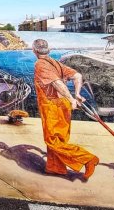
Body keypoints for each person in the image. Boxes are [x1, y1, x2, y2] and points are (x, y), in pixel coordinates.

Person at [32, 39, 99, 180]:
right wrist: (77, 94)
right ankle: (55, 168)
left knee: (52, 141)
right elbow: (77, 76)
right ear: (48, 50)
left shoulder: (40, 64)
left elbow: (57, 83)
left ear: (34, 50)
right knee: (60, 139)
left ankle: (88, 159)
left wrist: (71, 99)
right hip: (62, 105)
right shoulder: (55, 63)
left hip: (52, 106)